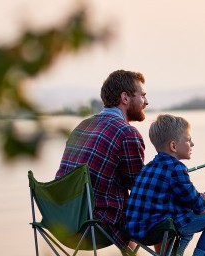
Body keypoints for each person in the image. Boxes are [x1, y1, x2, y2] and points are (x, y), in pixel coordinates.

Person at [55, 70, 149, 249]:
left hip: (63, 222)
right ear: (125, 98)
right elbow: (140, 188)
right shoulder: (127, 133)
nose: (146, 101)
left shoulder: (82, 126)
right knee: (162, 213)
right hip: (94, 226)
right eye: (142, 95)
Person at [126, 114, 205, 256]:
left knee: (186, 214)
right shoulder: (177, 168)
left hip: (136, 231)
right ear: (173, 146)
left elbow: (177, 197)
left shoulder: (148, 167)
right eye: (189, 140)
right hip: (158, 231)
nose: (192, 144)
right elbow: (200, 207)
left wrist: (202, 196)